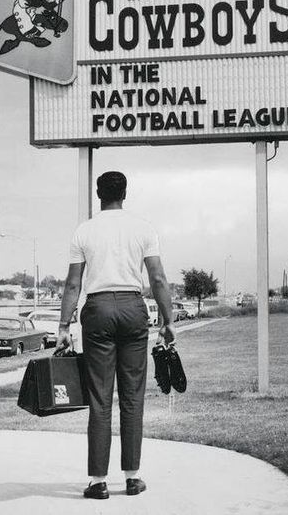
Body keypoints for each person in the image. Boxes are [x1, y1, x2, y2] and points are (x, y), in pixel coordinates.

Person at [56, 171, 175, 500]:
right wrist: (167, 321)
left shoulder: (84, 231)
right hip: (133, 308)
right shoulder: (143, 228)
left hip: (97, 311)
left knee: (100, 398)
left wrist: (64, 326)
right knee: (133, 397)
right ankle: (133, 478)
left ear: (98, 193)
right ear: (125, 193)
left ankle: (98, 482)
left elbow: (72, 284)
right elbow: (159, 278)